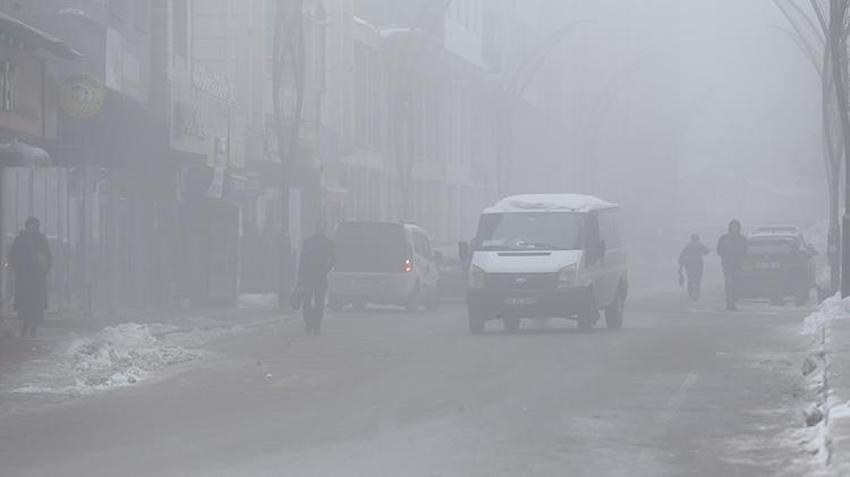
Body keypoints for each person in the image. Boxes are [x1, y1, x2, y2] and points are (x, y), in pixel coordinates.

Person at [9, 217, 52, 338]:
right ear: (26, 226)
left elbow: (48, 257)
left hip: (37, 277)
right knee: (25, 303)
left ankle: (33, 326)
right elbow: (13, 257)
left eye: (34, 226)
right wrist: (19, 269)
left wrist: (44, 269)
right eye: (29, 225)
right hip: (24, 278)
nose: (31, 228)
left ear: (37, 227)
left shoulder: (42, 240)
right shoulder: (19, 240)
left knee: (36, 304)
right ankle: (26, 325)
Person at [297, 222, 335, 335]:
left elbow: (334, 259)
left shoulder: (329, 243)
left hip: (319, 277)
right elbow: (302, 260)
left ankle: (316, 325)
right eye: (319, 228)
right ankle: (309, 323)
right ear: (316, 229)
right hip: (308, 277)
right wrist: (300, 277)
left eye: (322, 228)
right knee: (307, 302)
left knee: (319, 303)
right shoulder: (308, 242)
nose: (320, 230)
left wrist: (327, 269)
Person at [717, 219, 748, 311]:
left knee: (736, 283)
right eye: (732, 226)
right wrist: (725, 256)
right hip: (727, 264)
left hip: (738, 264)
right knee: (729, 283)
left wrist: (741, 259)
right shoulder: (724, 238)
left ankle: (734, 300)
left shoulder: (742, 239)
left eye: (736, 226)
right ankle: (729, 303)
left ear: (739, 227)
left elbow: (745, 250)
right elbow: (719, 249)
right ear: (729, 227)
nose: (734, 228)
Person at [679, 234, 710, 301]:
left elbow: (682, 256)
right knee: (697, 280)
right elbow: (707, 251)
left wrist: (681, 266)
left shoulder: (688, 246)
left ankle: (693, 294)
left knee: (692, 280)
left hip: (690, 266)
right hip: (697, 265)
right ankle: (695, 295)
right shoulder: (698, 245)